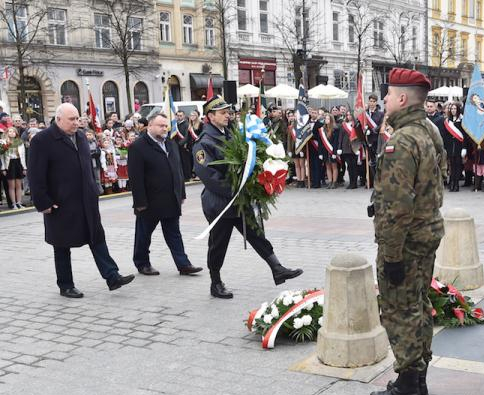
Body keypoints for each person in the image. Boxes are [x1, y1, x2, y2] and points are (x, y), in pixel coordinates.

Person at [368, 68, 446, 395]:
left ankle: (408, 385)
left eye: (387, 95)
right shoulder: (428, 130)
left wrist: (392, 254)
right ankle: (419, 378)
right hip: (426, 232)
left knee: (399, 308)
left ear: (401, 98)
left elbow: (396, 206)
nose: (384, 100)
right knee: (418, 305)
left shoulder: (401, 141)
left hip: (407, 240)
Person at [192, 95, 303, 299]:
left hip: (240, 199)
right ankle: (215, 282)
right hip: (220, 203)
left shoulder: (233, 133)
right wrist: (236, 190)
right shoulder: (204, 142)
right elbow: (209, 176)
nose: (228, 115)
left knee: (256, 233)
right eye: (223, 113)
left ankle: (277, 268)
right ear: (210, 116)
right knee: (218, 244)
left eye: (228, 112)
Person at [27, 103, 134, 298]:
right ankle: (66, 285)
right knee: (61, 244)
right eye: (72, 119)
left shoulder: (82, 137)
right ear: (58, 119)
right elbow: (36, 175)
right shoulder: (42, 140)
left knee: (97, 237)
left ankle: (112, 276)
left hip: (86, 200)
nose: (77, 123)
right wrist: (43, 202)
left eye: (77, 118)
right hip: (60, 203)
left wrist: (94, 190)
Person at [128, 112, 202, 277]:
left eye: (166, 125)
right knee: (143, 235)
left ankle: (183, 264)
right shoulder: (138, 147)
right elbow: (135, 177)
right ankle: (142, 263)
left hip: (170, 199)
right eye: (161, 125)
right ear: (150, 125)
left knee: (174, 234)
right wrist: (139, 202)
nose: (165, 128)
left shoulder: (170, 144)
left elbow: (178, 171)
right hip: (149, 201)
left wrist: (181, 192)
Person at [1, 127, 27, 208]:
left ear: (16, 133)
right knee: (12, 186)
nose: (12, 133)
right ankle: (13, 203)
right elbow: (1, 155)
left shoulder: (19, 142)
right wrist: (3, 168)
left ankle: (19, 202)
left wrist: (24, 168)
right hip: (9, 164)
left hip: (18, 163)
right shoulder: (3, 142)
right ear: (7, 133)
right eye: (10, 131)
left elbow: (23, 156)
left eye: (13, 132)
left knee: (19, 185)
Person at [443, 103, 466, 192]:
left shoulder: (462, 120)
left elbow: (464, 135)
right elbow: (445, 135)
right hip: (450, 146)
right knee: (451, 166)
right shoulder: (448, 121)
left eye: (455, 109)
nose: (453, 110)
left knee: (458, 165)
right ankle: (451, 183)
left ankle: (456, 184)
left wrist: (464, 147)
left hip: (459, 146)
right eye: (451, 109)